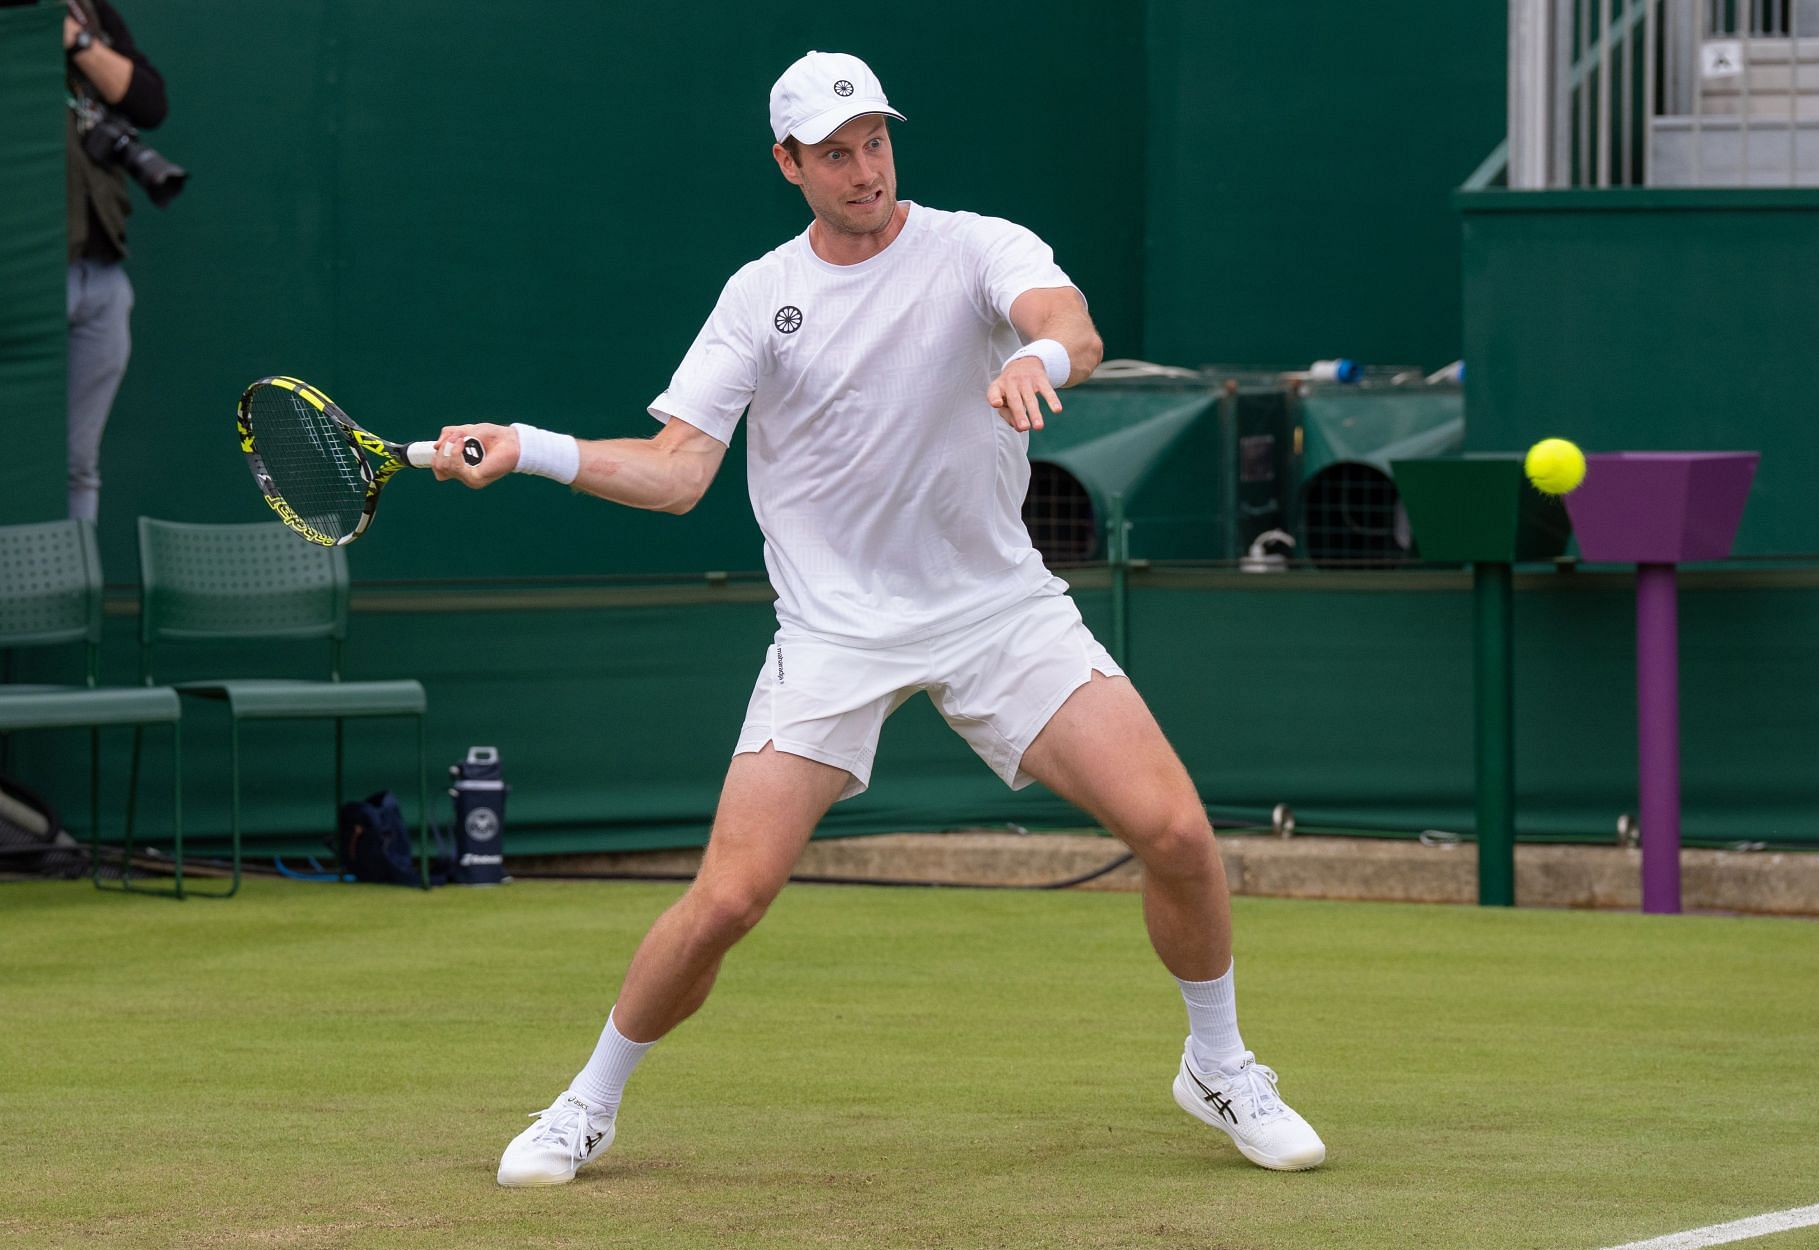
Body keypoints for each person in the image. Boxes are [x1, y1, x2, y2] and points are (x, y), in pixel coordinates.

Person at [431, 50, 1326, 1187]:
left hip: (999, 608)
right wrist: (531, 449)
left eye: (876, 143)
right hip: (835, 633)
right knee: (731, 896)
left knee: (1180, 834)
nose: (865, 169)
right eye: (837, 152)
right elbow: (674, 471)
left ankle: (1220, 1063)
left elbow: (1071, 323)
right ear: (789, 163)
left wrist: (1039, 357)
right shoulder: (760, 294)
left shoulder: (973, 246)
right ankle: (584, 1103)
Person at [59, 0, 167, 522]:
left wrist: (76, 41)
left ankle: (70, 598)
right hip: (26, 274)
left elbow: (148, 101)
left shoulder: (86, 10)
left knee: (78, 464)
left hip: (99, 272)